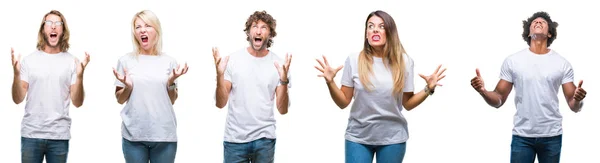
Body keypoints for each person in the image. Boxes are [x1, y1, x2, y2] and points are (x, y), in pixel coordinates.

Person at [315, 10, 446, 163]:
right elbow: (343, 102)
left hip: (392, 138)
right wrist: (330, 82)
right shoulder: (353, 60)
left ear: (390, 32)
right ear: (366, 34)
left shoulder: (405, 62)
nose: (375, 29)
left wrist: (428, 89)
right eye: (370, 26)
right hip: (358, 137)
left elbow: (408, 103)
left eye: (381, 26)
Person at [470, 11, 587, 163]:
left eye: (542, 22)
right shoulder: (513, 61)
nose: (538, 23)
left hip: (551, 136)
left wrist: (578, 99)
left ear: (550, 33)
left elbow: (574, 105)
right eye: (534, 22)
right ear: (529, 31)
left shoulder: (562, 64)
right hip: (522, 136)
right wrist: (483, 91)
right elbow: (498, 99)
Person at [213, 10, 292, 163]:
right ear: (248, 32)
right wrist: (219, 76)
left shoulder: (279, 65)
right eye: (255, 26)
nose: (258, 30)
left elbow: (282, 110)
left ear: (270, 34)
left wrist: (284, 80)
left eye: (264, 27)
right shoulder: (233, 60)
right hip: (234, 140)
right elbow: (220, 103)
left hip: (264, 140)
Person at [11, 10, 90, 163]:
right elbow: (17, 99)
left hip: (59, 136)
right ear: (43, 29)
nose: (53, 27)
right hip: (31, 135)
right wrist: (15, 75)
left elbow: (78, 102)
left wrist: (80, 77)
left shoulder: (72, 62)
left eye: (58, 24)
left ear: (63, 30)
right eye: (49, 23)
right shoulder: (29, 60)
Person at [112, 10, 188, 163]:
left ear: (156, 30)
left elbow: (172, 100)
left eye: (147, 26)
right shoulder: (125, 61)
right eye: (138, 27)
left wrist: (171, 82)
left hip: (164, 135)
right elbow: (120, 100)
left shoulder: (169, 61)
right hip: (134, 136)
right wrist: (128, 86)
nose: (142, 30)